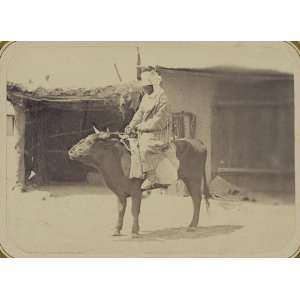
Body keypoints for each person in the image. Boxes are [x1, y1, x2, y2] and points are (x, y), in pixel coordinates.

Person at [125, 69, 172, 189]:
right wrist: (131, 125)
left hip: (159, 132)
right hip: (145, 131)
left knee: (145, 147)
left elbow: (159, 120)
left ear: (153, 86)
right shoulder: (146, 98)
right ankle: (137, 175)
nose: (145, 89)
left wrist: (141, 127)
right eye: (144, 87)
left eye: (147, 87)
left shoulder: (163, 99)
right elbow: (139, 113)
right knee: (129, 143)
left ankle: (151, 177)